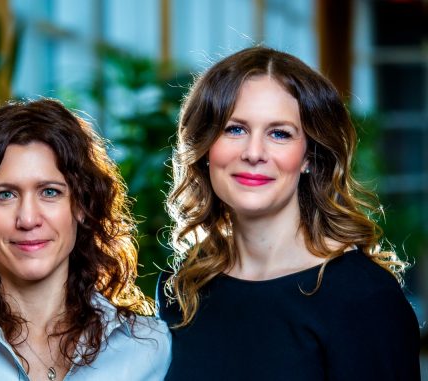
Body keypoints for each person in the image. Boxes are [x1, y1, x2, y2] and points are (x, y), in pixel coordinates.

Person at [157, 46, 420, 380]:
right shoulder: (182, 287)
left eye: (279, 134)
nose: (254, 153)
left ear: (309, 156)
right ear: (206, 146)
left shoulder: (364, 297)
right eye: (234, 129)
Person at [0, 98, 171, 380]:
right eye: (5, 194)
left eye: (50, 192)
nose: (28, 219)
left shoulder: (150, 349)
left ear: (80, 204)